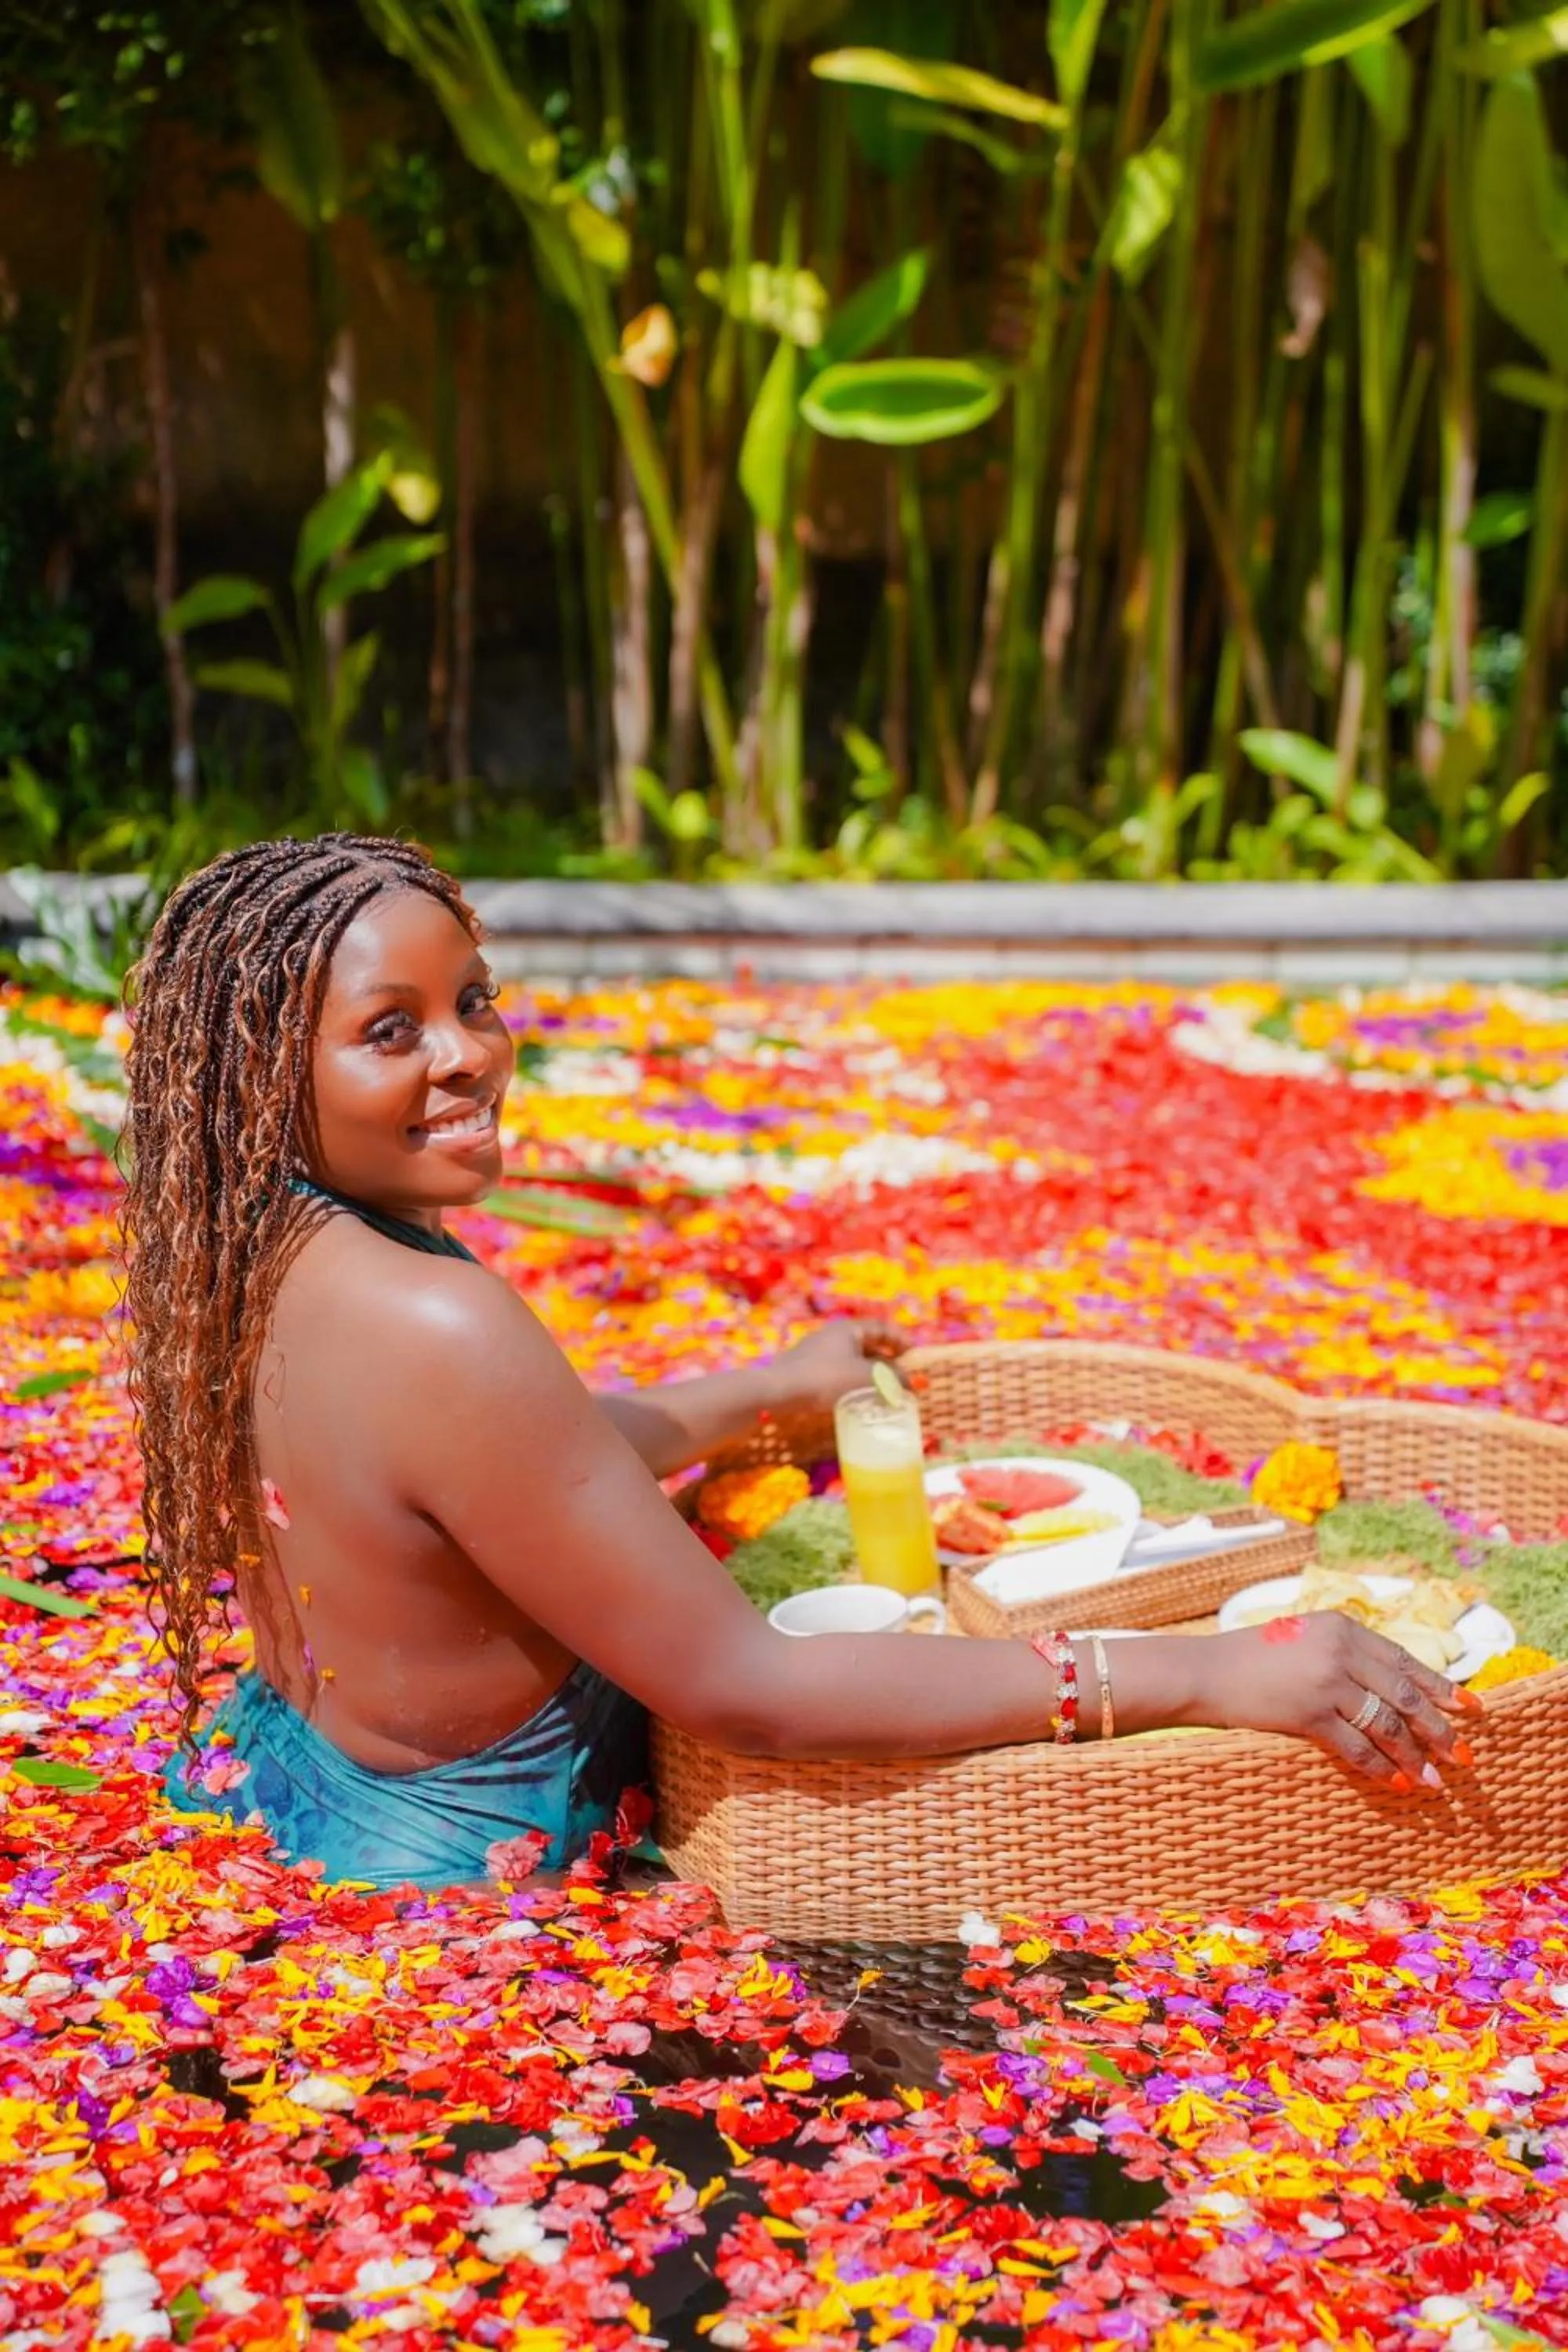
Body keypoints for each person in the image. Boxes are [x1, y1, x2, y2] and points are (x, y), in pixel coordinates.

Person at [124, 835, 1476, 1893]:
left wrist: (770, 1387)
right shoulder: (440, 1325)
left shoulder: (257, 1254)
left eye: (472, 999)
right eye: (391, 1029)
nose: (470, 1054)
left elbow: (520, 1467)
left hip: (303, 1784)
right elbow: (748, 1693)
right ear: (255, 1076)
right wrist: (1199, 1674)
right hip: (462, 1877)